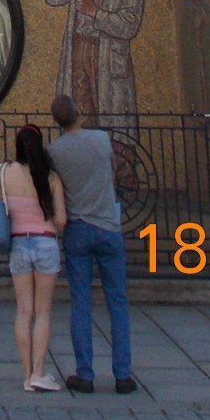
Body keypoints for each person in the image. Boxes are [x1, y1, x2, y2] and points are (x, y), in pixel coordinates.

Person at [47, 94, 135, 394]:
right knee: (117, 301)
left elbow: (55, 186)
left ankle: (85, 373)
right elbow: (110, 174)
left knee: (81, 302)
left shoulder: (55, 151)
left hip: (79, 228)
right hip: (108, 226)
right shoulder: (100, 140)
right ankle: (123, 374)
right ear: (78, 113)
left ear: (56, 121)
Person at [0, 124, 67, 393]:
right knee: (43, 311)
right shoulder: (50, 178)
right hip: (46, 244)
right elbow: (60, 219)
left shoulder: (5, 172)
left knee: (23, 311)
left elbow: (2, 205)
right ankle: (39, 371)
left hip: (18, 243)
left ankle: (27, 375)